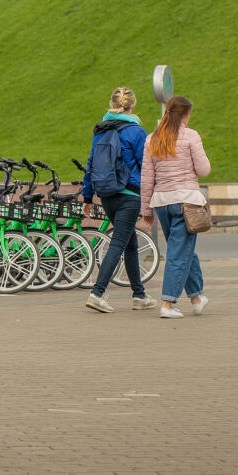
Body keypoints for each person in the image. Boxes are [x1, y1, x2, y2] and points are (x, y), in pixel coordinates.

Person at [81, 86, 151, 313]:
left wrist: (88, 196)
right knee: (119, 243)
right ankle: (97, 293)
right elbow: (147, 167)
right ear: (133, 106)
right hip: (129, 196)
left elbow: (91, 164)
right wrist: (151, 195)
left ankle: (139, 296)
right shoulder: (136, 132)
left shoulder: (101, 130)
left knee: (129, 244)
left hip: (108, 195)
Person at [141, 96, 211, 318]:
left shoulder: (152, 139)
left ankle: (196, 298)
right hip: (186, 202)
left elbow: (146, 178)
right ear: (184, 115)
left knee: (183, 250)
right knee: (177, 254)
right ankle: (167, 304)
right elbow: (204, 169)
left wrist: (146, 211)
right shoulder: (191, 136)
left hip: (162, 203)